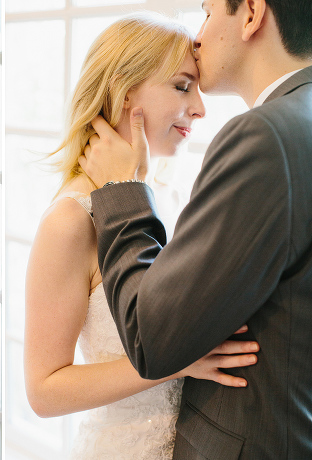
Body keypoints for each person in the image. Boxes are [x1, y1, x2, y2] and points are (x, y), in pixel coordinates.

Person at [78, 0, 312, 457]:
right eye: (180, 86)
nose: (199, 35)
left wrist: (122, 189)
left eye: (207, 11)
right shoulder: (300, 120)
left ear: (251, 13)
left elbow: (154, 340)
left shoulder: (264, 137)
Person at [24, 13, 261, 459]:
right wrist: (170, 364)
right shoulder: (70, 220)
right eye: (181, 85)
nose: (200, 107)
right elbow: (44, 391)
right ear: (124, 89)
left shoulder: (164, 196)